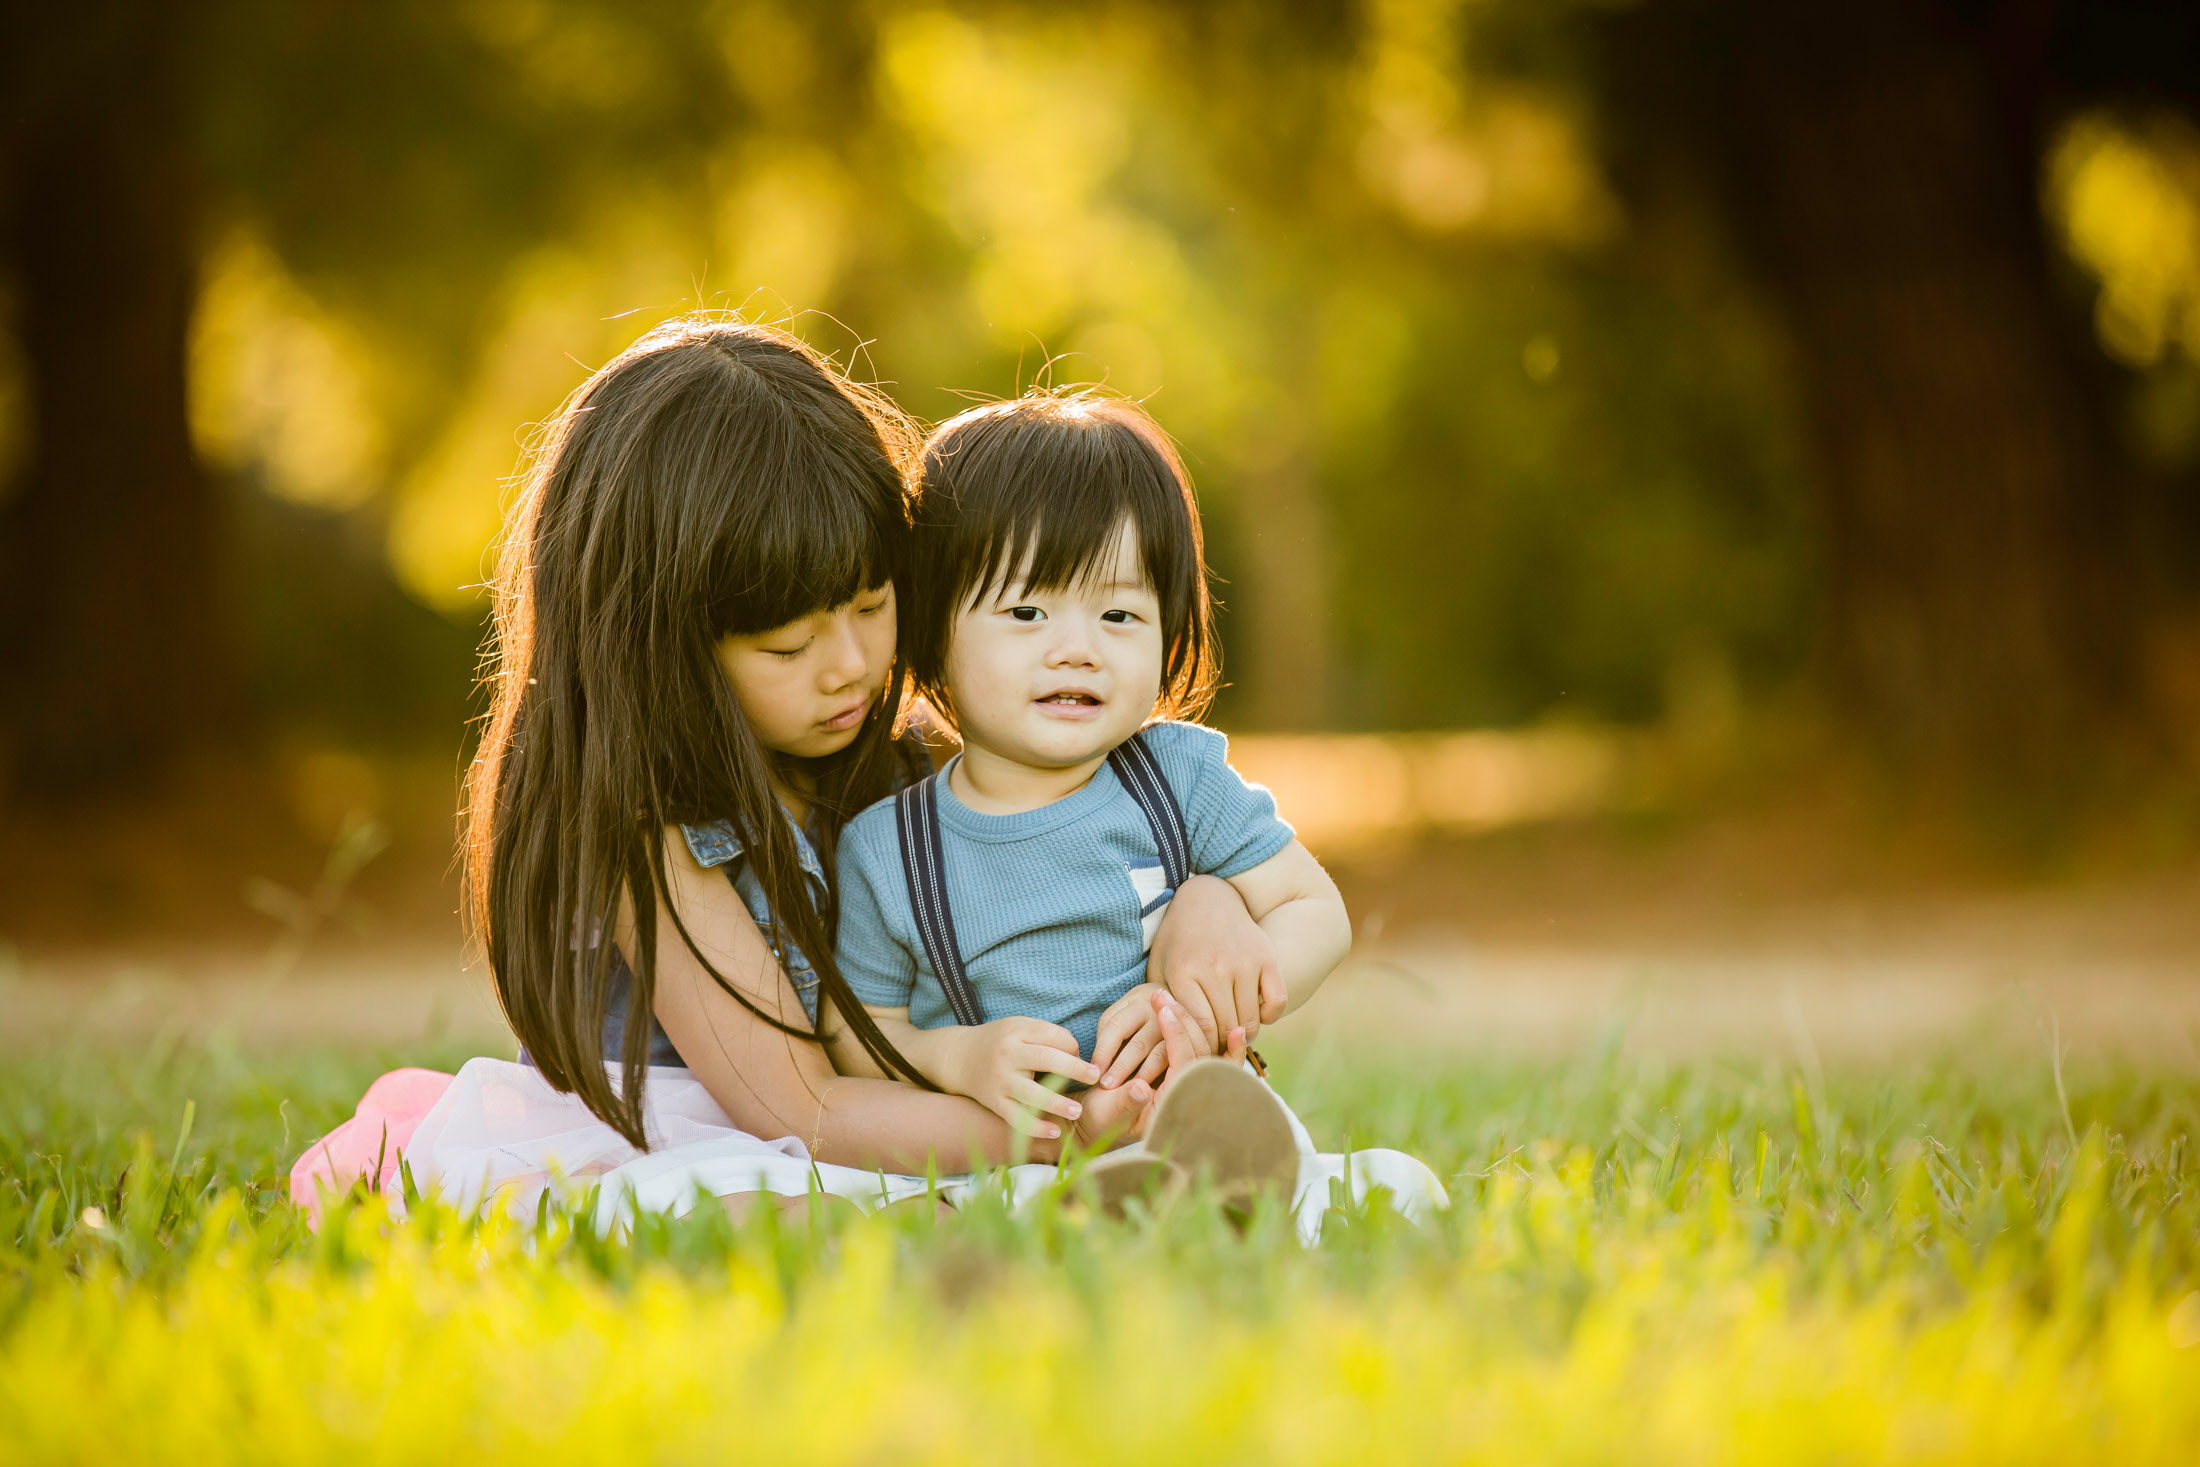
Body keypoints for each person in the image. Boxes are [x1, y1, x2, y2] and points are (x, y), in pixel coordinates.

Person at [293, 316, 1263, 1225]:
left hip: (897, 1119)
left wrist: (1201, 900)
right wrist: (1057, 1138)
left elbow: (1118, 842)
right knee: (764, 1204)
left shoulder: (918, 766)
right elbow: (794, 1107)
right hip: (723, 1128)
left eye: (872, 603)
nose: (848, 665)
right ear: (661, 647)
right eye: (788, 645)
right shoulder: (654, 837)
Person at [830, 389, 1447, 1229]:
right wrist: (959, 1053)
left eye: (1119, 613)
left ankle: (1213, 1193)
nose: (1078, 646)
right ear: (934, 631)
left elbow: (1317, 911)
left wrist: (1209, 1005)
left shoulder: (1175, 776)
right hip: (1026, 1152)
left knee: (1391, 1185)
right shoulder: (893, 848)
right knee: (1008, 1206)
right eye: (1027, 611)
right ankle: (1126, 1211)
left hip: (1195, 1115)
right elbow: (858, 1026)